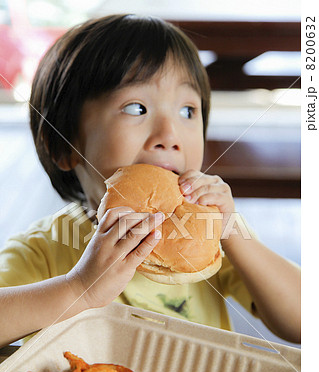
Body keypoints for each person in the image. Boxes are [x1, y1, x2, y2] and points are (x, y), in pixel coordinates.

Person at [0, 14, 300, 347]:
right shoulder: (44, 249)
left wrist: (233, 235)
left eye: (188, 111)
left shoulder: (210, 238)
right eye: (136, 108)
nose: (169, 135)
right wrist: (77, 289)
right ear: (64, 145)